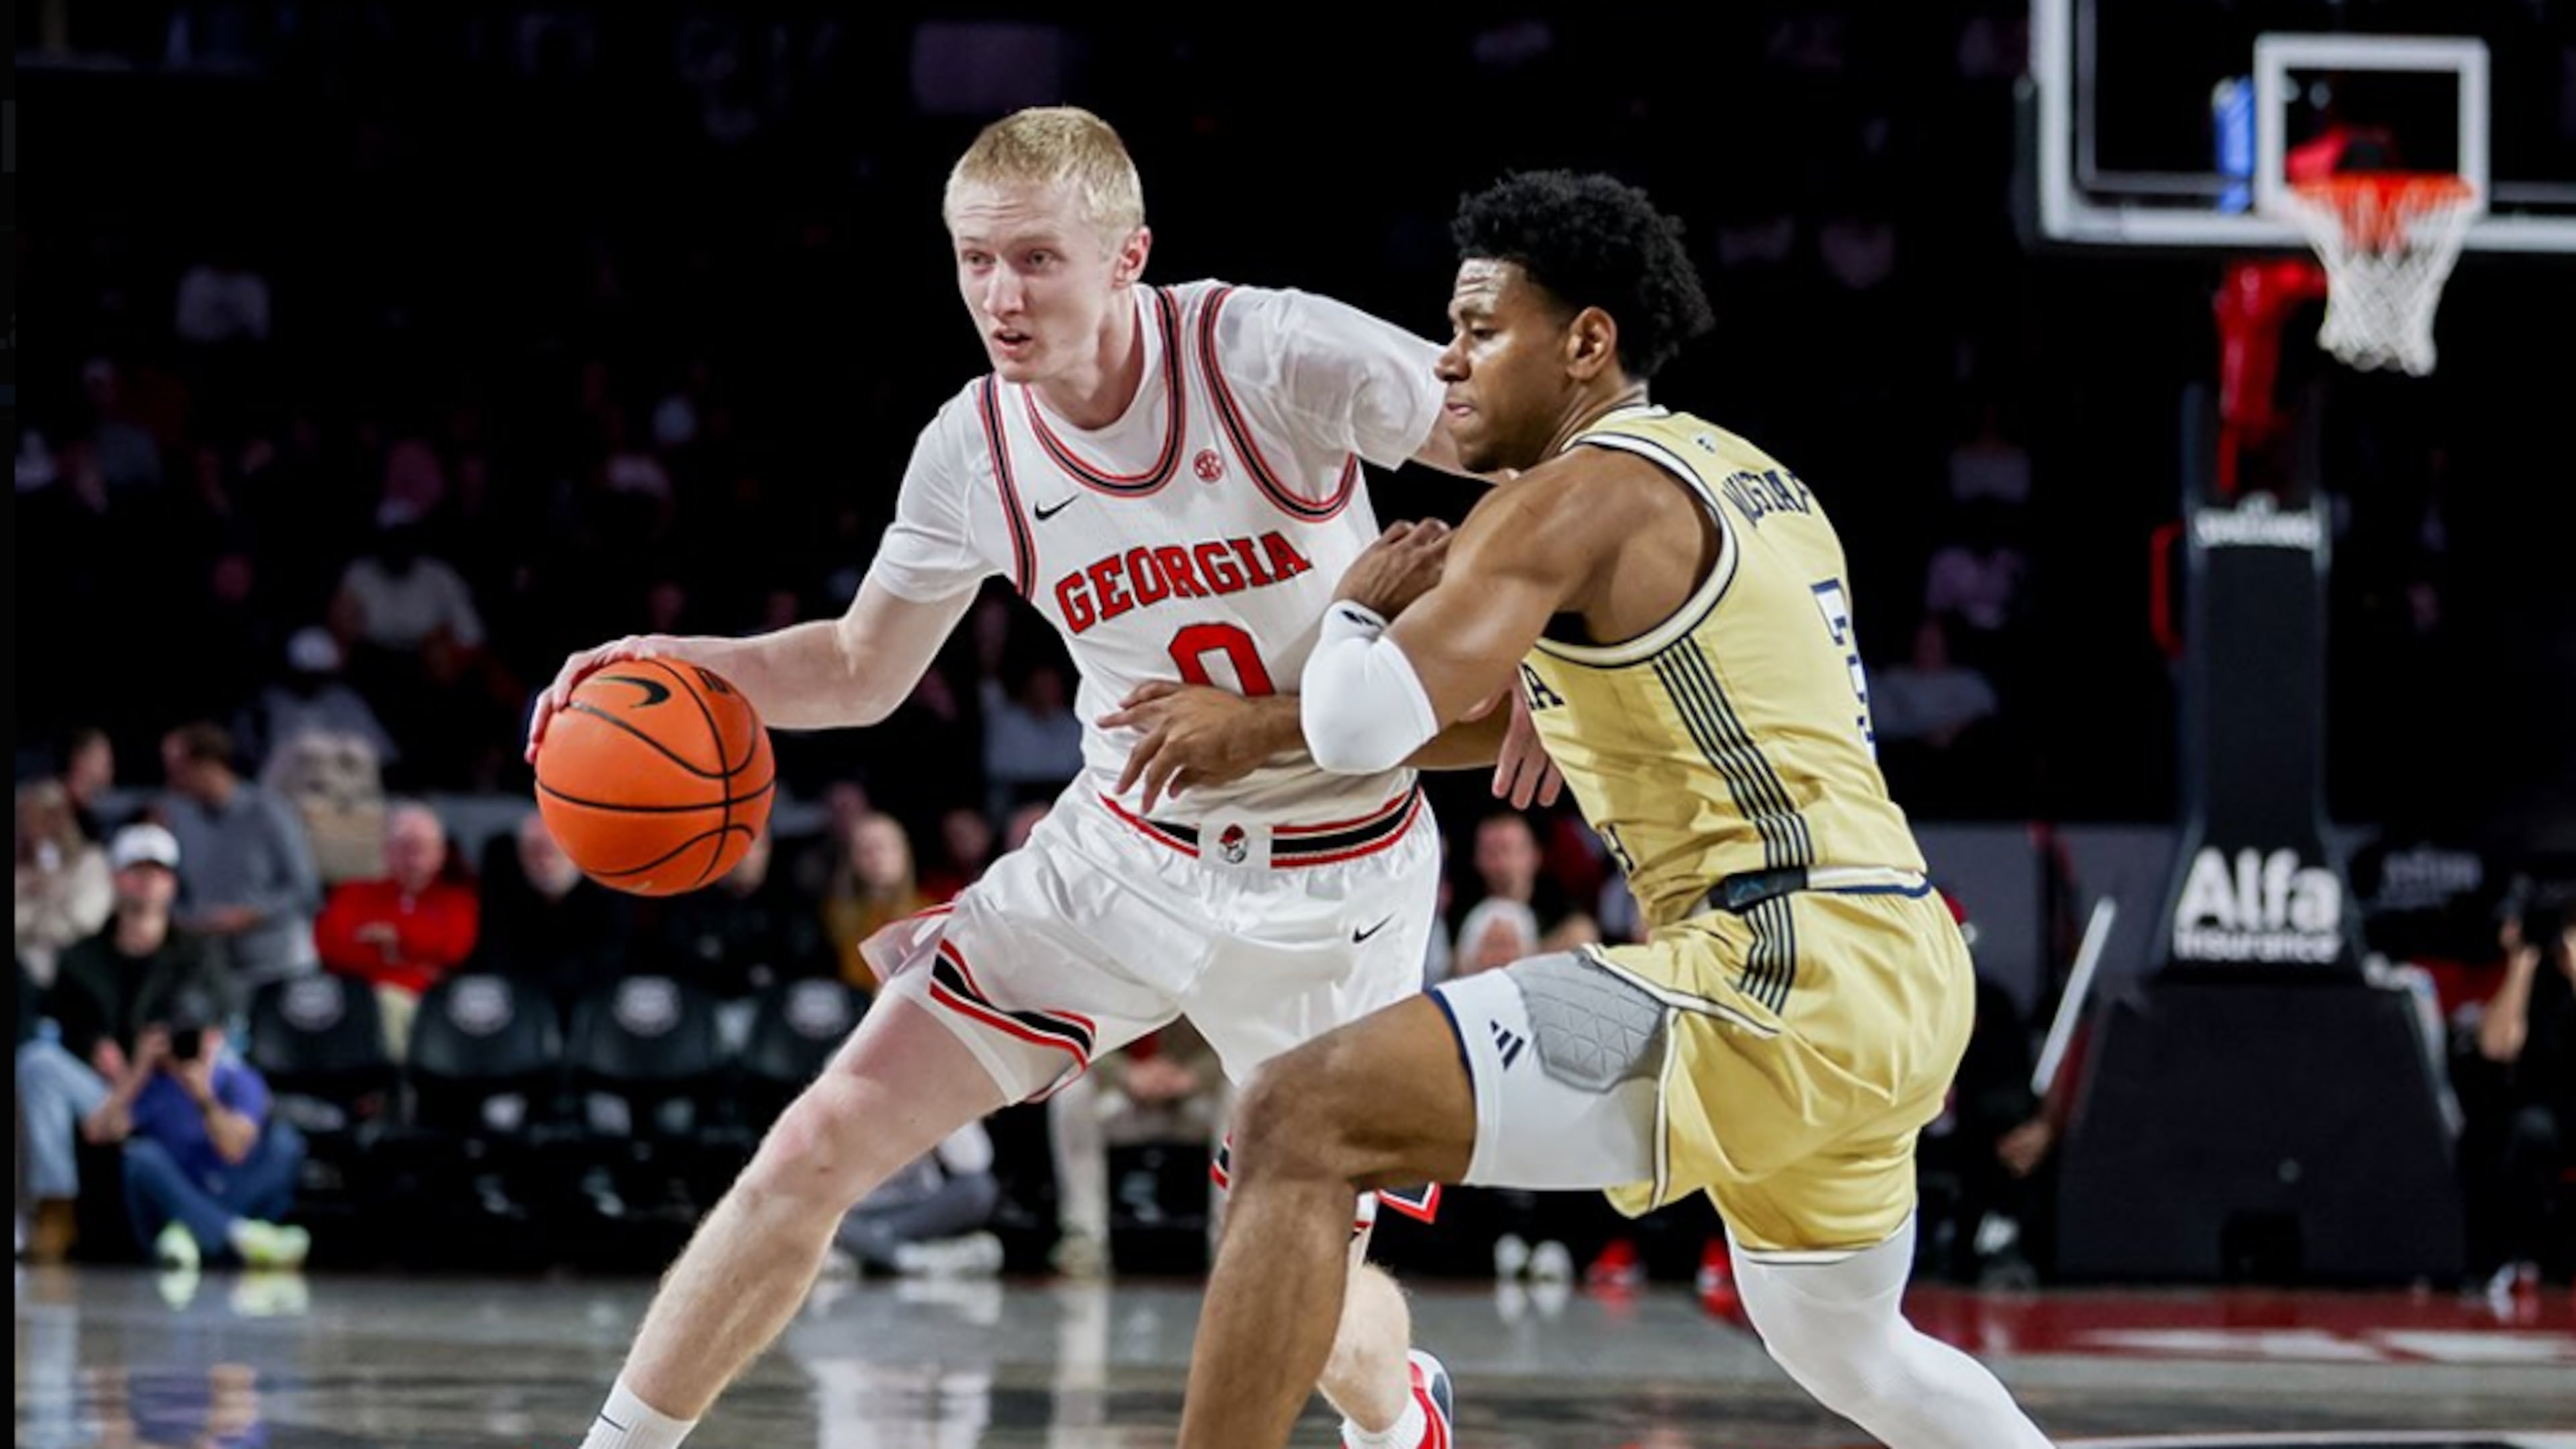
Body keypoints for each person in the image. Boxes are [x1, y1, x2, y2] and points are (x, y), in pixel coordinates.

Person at [531, 106, 1524, 1449]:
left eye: (1038, 260)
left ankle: (1404, 1409)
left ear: (1129, 259)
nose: (1001, 296)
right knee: (813, 1145)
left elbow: (1516, 438)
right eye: (976, 261)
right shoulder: (973, 450)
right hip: (1117, 857)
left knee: (1319, 1307)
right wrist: (656, 661)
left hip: (1331, 888)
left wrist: (1564, 652)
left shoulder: (1267, 351)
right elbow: (858, 668)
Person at [1169, 171, 2053, 1449]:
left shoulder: (1565, 500)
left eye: (1481, 329)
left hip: (1774, 965)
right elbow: (1575, 709)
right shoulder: (1748, 475)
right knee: (1858, 1350)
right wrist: (1263, 731)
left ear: (1587, 341)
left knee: (1293, 1116)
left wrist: (1361, 602)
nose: (1447, 362)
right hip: (1895, 958)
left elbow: (1371, 716)